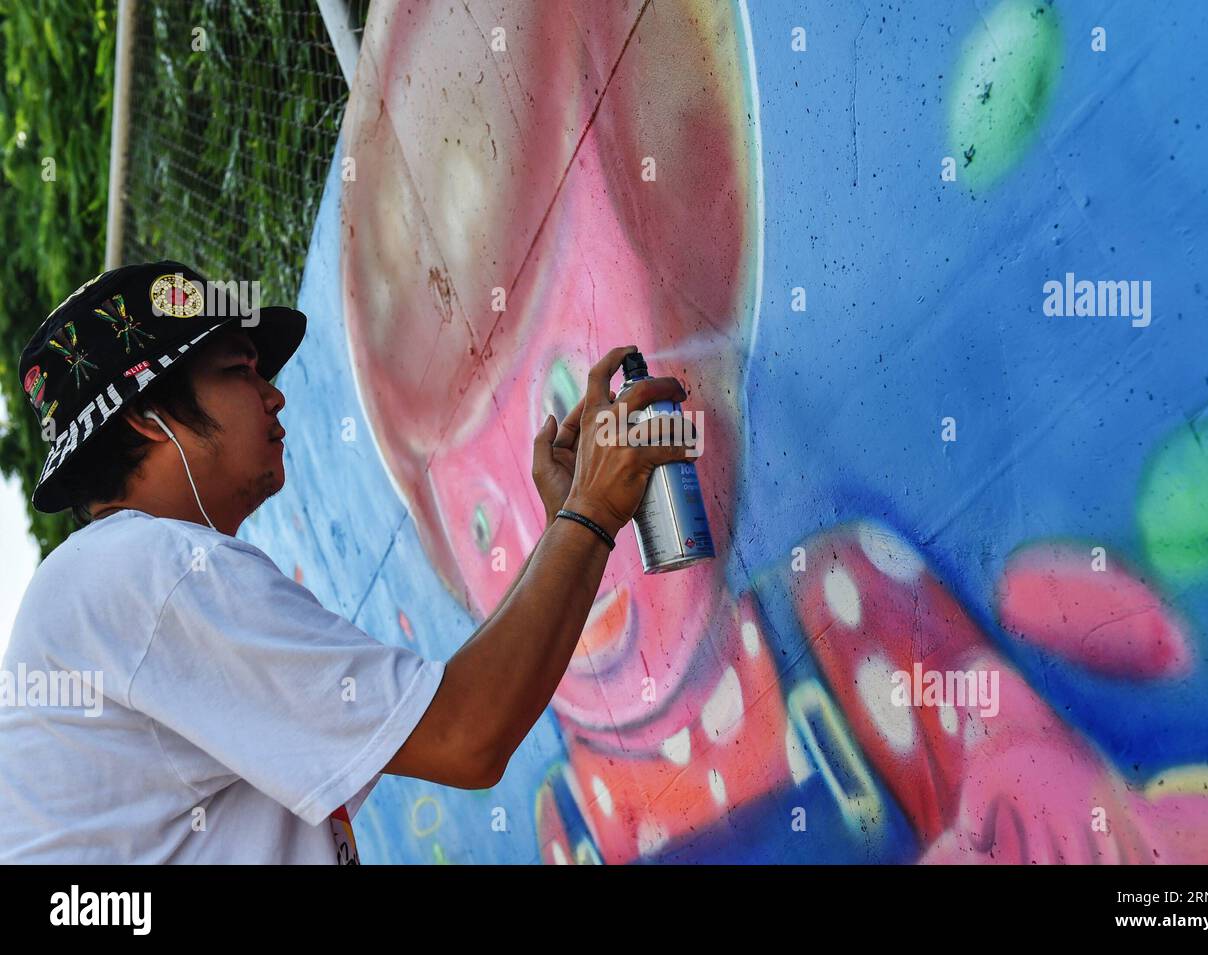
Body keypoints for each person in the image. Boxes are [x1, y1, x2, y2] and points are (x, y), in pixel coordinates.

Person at [0, 260, 698, 863]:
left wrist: (569, 525)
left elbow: (451, 709)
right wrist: (589, 514)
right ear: (146, 416)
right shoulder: (151, 571)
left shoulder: (112, 584)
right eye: (239, 370)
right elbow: (467, 734)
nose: (273, 394)